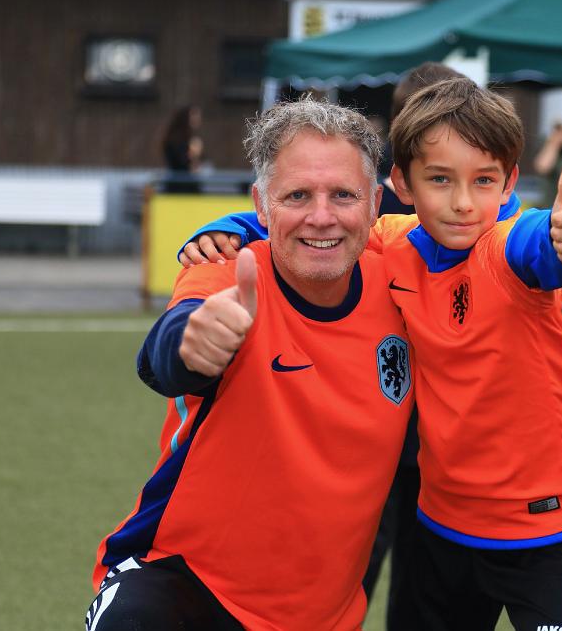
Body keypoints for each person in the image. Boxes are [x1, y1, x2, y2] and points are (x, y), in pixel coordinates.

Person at [179, 78, 562, 631]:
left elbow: (541, 244)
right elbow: (311, 215)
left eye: (484, 180)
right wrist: (225, 228)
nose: (463, 202)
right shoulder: (394, 239)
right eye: (440, 180)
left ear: (509, 183)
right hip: (447, 525)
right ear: (402, 184)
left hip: (549, 531)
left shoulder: (506, 245)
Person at [86, 98, 417, 630]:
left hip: (321, 616)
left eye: (343, 194)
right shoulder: (226, 271)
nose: (322, 216)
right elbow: (171, 347)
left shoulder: (407, 280)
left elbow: (481, 234)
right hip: (184, 582)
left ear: (376, 202)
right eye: (298, 195)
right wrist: (195, 343)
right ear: (261, 205)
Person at [361, 61, 465, 631]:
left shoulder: (479, 212)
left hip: (442, 439)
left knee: (424, 596)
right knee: (342, 576)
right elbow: (293, 214)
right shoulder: (369, 204)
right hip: (369, 427)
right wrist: (227, 228)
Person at [160, 105, 203, 193]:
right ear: (186, 118)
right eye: (194, 116)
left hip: (184, 186)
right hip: (180, 188)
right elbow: (183, 164)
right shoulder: (176, 141)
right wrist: (194, 153)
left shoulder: (187, 139)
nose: (198, 119)